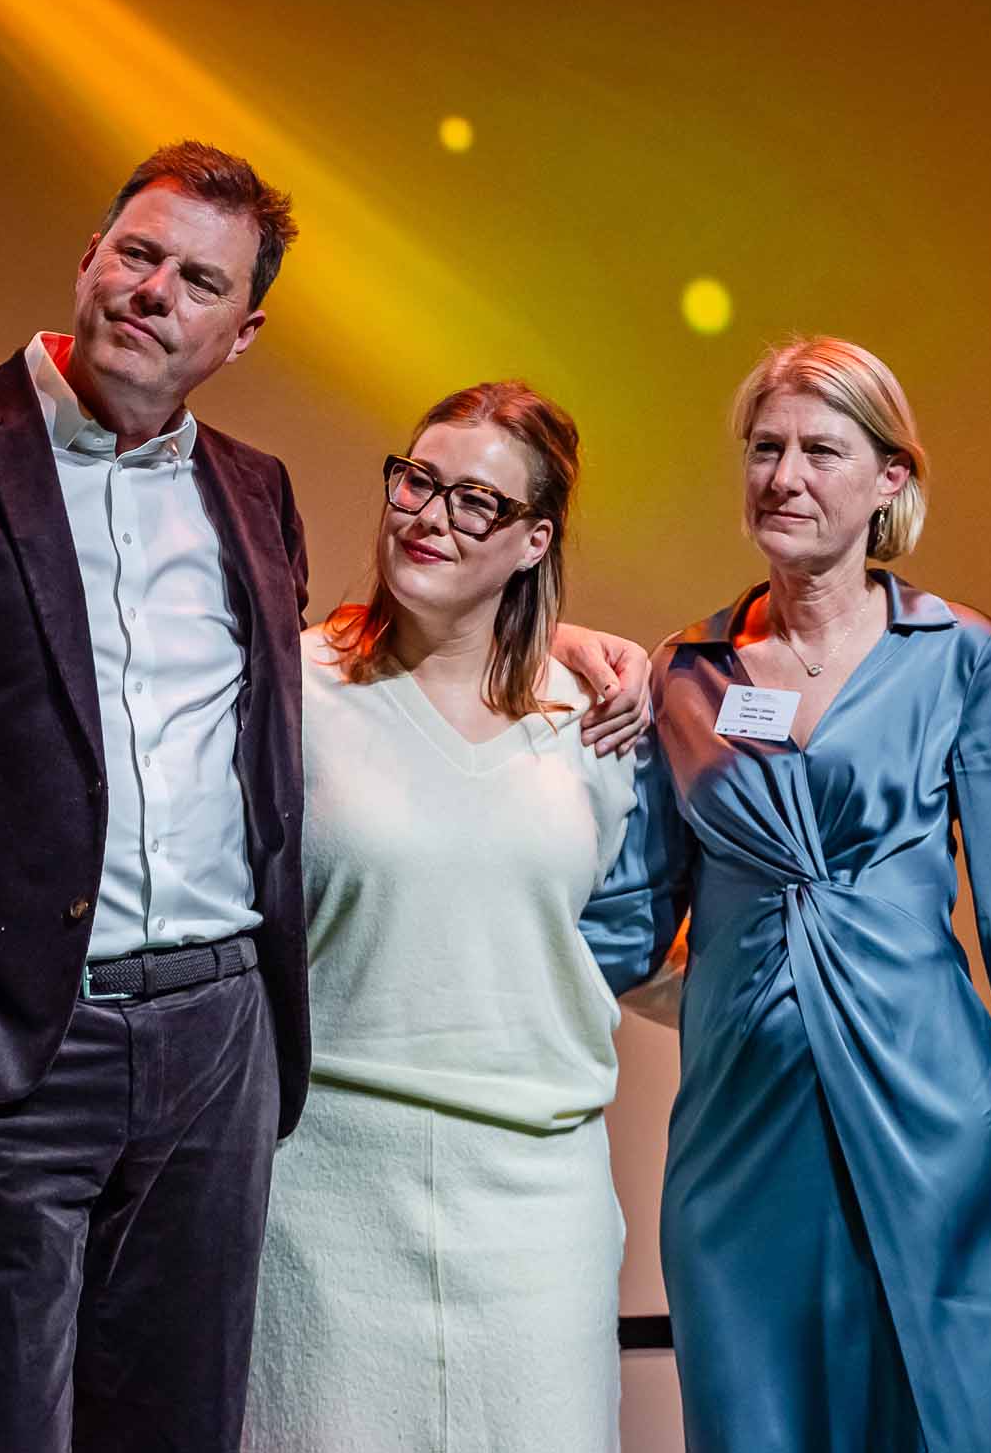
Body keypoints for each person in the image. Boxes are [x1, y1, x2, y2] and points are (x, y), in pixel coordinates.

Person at [0, 141, 646, 1452]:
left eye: (200, 279)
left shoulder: (253, 489)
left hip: (218, 1043)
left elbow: (351, 664)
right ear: (90, 259)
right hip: (4, 1044)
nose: (155, 291)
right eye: (137, 253)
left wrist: (560, 639)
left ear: (241, 331)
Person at [586, 338, 991, 1453]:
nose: (784, 477)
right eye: (764, 449)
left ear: (888, 478)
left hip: (937, 1115)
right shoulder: (685, 672)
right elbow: (626, 920)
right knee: (756, 1420)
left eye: (821, 451)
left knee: (947, 1423)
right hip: (740, 1127)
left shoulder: (961, 656)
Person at [244, 381, 637, 1452]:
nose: (429, 516)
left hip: (537, 1203)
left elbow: (625, 933)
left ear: (534, 541)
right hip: (325, 1189)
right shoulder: (290, 689)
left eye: (476, 502)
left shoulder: (594, 719)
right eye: (417, 481)